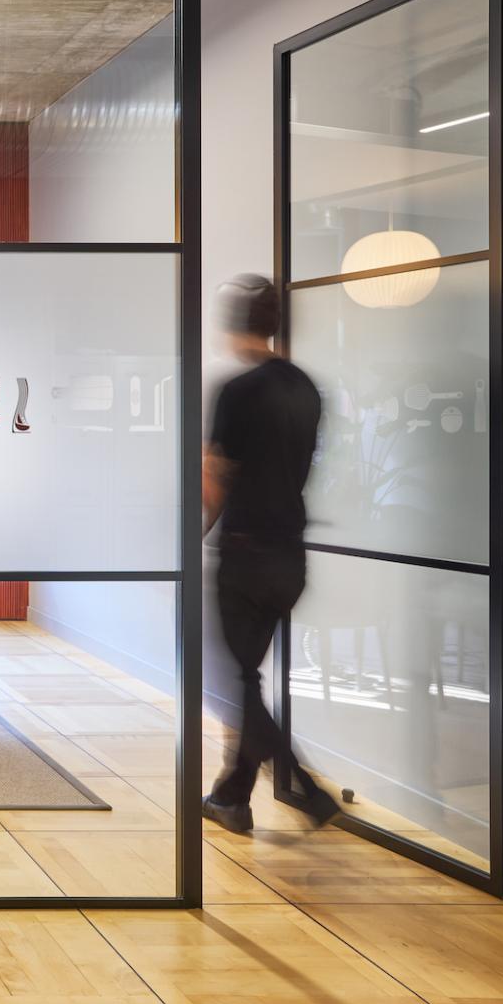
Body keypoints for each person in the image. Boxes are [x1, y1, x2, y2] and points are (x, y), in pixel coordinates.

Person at [201, 273, 339, 834]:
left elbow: (216, 478)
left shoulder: (239, 391)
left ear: (235, 324)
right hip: (290, 556)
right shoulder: (305, 387)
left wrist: (189, 543)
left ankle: (305, 785)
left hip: (246, 553)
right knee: (246, 679)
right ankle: (232, 797)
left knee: (236, 682)